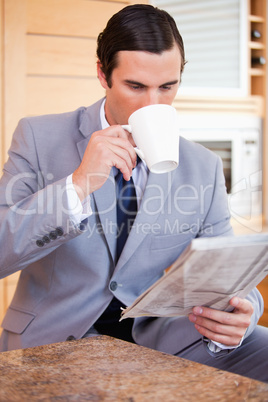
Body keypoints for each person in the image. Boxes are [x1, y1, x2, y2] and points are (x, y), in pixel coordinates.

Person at [0, 4, 267, 382]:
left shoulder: (202, 165)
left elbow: (226, 268)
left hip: (164, 339)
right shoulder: (39, 137)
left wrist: (244, 311)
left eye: (167, 87)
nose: (153, 104)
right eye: (136, 86)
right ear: (102, 74)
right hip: (56, 340)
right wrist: (76, 185)